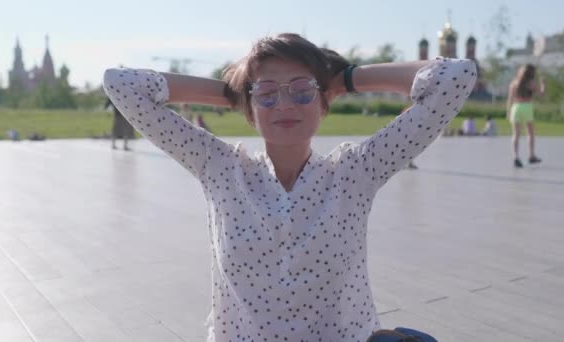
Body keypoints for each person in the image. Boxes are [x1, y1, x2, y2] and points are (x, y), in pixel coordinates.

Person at [103, 33, 477, 342]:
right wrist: (235, 90)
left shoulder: (355, 173)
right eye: (267, 94)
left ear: (323, 100)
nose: (284, 105)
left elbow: (455, 77)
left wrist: (345, 80)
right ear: (250, 106)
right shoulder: (219, 169)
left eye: (301, 91)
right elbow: (122, 85)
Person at [506, 64, 545, 168]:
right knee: (530, 133)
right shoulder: (531, 83)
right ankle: (531, 155)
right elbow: (541, 95)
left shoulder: (514, 83)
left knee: (516, 134)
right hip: (527, 107)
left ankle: (516, 157)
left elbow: (509, 99)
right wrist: (543, 84)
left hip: (516, 107)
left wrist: (508, 112)